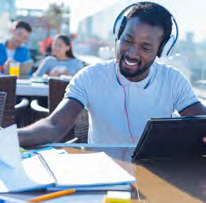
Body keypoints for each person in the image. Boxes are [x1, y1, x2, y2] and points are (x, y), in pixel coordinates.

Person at [18, 2, 206, 147]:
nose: (132, 53)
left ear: (161, 50)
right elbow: (55, 126)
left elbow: (202, 123)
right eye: (128, 40)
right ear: (118, 34)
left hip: (155, 175)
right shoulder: (90, 76)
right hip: (101, 175)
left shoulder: (174, 80)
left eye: (145, 47)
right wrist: (7, 138)